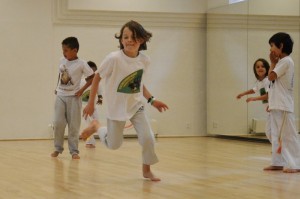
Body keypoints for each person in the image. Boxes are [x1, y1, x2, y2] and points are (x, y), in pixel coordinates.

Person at [81, 20, 169, 181]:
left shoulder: (144, 60)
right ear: (121, 40)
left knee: (148, 138)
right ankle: (97, 127)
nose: (129, 40)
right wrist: (91, 103)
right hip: (116, 108)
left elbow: (138, 83)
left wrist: (152, 100)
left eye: (133, 37)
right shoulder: (113, 58)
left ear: (141, 40)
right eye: (125, 37)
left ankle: (146, 170)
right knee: (114, 144)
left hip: (136, 106)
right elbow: (97, 78)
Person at [51, 37, 95, 159]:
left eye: (66, 50)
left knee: (74, 125)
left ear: (74, 50)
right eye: (62, 50)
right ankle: (57, 148)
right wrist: (57, 87)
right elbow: (60, 76)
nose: (63, 53)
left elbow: (92, 77)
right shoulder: (62, 60)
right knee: (58, 123)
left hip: (74, 97)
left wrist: (82, 90)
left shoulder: (82, 64)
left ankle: (74, 151)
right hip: (60, 95)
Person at [264, 32, 300, 173]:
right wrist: (271, 102)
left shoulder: (286, 61)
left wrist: (272, 63)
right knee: (274, 135)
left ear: (281, 45)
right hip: (276, 105)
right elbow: (273, 84)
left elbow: (271, 77)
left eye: (272, 46)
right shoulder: (281, 62)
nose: (270, 50)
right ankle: (278, 162)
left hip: (284, 105)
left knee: (288, 135)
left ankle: (296, 163)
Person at [236, 58, 271, 140]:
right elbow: (253, 90)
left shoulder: (267, 80)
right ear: (255, 70)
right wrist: (243, 94)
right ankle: (277, 149)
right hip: (269, 110)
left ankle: (280, 149)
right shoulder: (259, 82)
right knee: (269, 131)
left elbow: (268, 95)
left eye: (262, 66)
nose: (260, 68)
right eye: (257, 67)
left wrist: (254, 99)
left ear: (267, 68)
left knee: (271, 131)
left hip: (274, 108)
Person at [81, 61, 103, 148]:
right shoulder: (81, 82)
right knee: (88, 124)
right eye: (91, 72)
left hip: (94, 107)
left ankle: (99, 137)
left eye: (95, 72)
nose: (93, 74)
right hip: (83, 107)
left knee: (96, 122)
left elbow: (99, 92)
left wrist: (100, 99)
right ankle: (89, 142)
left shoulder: (97, 83)